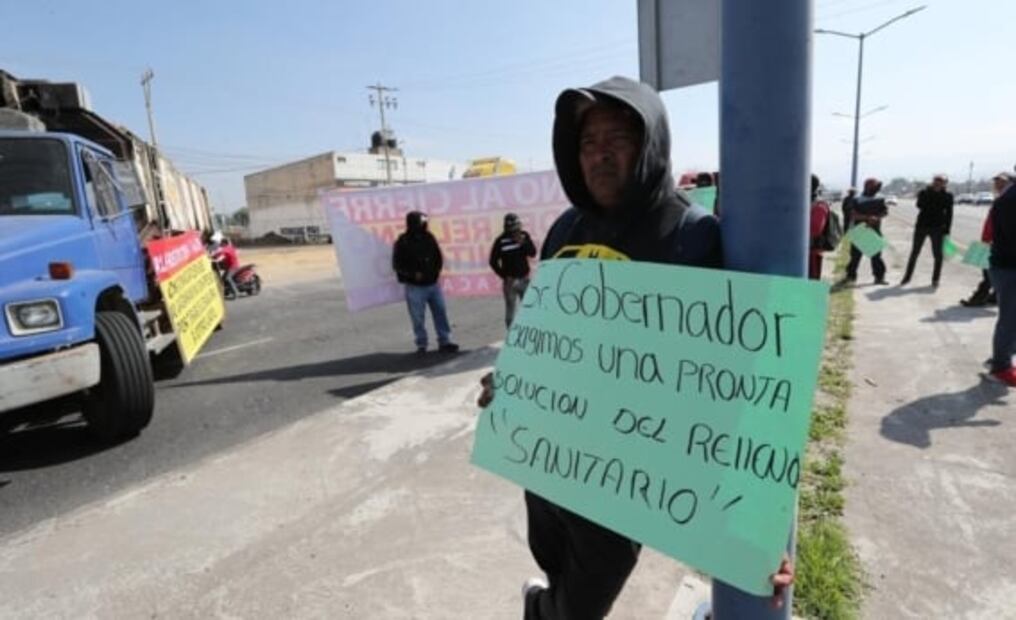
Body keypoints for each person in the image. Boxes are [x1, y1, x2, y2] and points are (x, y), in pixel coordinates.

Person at [477, 76, 793, 619]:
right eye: (587, 142)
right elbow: (544, 333)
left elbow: (742, 383)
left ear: (651, 144)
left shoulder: (692, 236)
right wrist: (511, 377)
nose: (599, 155)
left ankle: (540, 608)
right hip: (548, 454)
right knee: (558, 570)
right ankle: (544, 598)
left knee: (581, 606)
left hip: (622, 478)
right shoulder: (562, 228)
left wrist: (764, 533)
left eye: (617, 138)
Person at [392, 211, 459, 354]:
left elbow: (437, 257)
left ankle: (445, 341)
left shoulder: (429, 237)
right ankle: (421, 344)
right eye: (422, 222)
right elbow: (397, 264)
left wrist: (435, 272)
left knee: (440, 312)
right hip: (415, 287)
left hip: (433, 284)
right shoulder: (403, 241)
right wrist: (411, 274)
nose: (424, 225)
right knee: (417, 317)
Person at [986, 172, 1016, 386]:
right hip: (1009, 268)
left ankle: (1003, 354)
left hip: (1007, 265)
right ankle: (1001, 366)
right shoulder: (1010, 201)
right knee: (1010, 318)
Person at [901, 174, 954, 287]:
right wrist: (930, 192)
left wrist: (947, 229)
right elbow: (919, 205)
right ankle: (907, 276)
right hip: (922, 226)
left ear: (945, 183)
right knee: (915, 252)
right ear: (933, 181)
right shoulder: (924, 192)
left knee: (938, 255)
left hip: (938, 227)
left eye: (941, 181)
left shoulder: (948, 196)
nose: (938, 183)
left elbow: (949, 213)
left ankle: (935, 279)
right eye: (936, 180)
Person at [489, 212, 537, 328]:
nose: (515, 232)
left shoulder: (524, 236)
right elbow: (493, 261)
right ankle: (511, 336)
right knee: (510, 310)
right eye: (512, 229)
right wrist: (504, 276)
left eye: (516, 228)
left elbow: (533, 253)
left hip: (525, 279)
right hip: (510, 282)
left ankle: (530, 333)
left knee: (529, 308)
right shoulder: (500, 241)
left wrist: (523, 243)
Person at [845, 178, 890, 285]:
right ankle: (851, 277)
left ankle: (879, 277)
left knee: (876, 256)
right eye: (874, 186)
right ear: (867, 187)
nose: (876, 188)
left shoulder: (879, 199)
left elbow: (885, 212)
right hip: (860, 231)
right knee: (855, 256)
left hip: (874, 231)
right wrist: (867, 218)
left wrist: (877, 217)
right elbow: (853, 214)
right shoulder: (856, 199)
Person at [960, 210, 996, 307]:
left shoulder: (1005, 203)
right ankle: (995, 296)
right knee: (992, 272)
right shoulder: (1001, 203)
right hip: (990, 241)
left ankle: (980, 297)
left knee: (989, 273)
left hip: (994, 242)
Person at [809, 174, 831, 280]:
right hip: (793, 254)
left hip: (811, 254)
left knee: (808, 289)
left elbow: (815, 229)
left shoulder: (819, 205)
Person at [209, 231, 240, 298]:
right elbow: (218, 254)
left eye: (221, 243)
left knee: (227, 278)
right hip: (229, 267)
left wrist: (214, 259)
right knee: (222, 280)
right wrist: (212, 256)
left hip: (233, 267)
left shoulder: (226, 248)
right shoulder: (229, 247)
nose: (220, 244)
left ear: (224, 243)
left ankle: (236, 292)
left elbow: (220, 256)